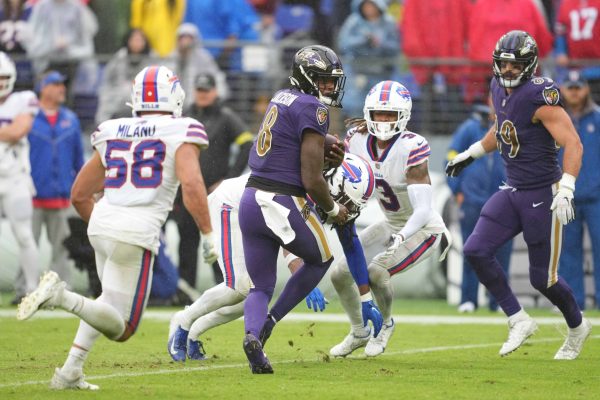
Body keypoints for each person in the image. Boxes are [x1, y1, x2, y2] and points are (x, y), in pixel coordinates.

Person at [16, 65, 218, 390]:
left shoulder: (113, 128)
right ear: (175, 95)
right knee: (122, 327)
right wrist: (207, 233)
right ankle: (63, 297)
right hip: (136, 231)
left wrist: (104, 224)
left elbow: (80, 194)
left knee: (105, 301)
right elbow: (192, 185)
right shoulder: (182, 129)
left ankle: (70, 371)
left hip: (102, 223)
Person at [446, 30, 592, 360]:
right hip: (512, 189)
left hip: (544, 192)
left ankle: (577, 326)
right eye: (503, 64)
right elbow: (502, 127)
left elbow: (574, 143)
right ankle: (518, 318)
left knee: (544, 279)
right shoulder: (498, 87)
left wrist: (567, 187)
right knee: (475, 249)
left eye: (515, 66)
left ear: (530, 65)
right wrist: (471, 154)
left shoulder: (540, 95)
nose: (507, 71)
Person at [238, 44, 349, 373]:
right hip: (282, 200)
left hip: (251, 196)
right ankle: (270, 322)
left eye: (332, 81)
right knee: (322, 259)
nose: (329, 87)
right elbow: (312, 180)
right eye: (324, 80)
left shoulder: (281, 96)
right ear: (307, 77)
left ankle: (252, 336)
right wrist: (332, 210)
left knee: (260, 285)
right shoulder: (313, 108)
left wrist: (324, 142)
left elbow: (289, 137)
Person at [329, 80, 450, 358]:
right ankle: (359, 330)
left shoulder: (413, 146)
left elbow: (422, 209)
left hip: (423, 229)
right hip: (390, 223)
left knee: (376, 272)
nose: (383, 120)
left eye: (389, 114)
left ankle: (385, 324)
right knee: (339, 273)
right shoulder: (356, 140)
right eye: (378, 114)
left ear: (403, 116)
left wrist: (402, 236)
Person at [167, 173, 331, 361]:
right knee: (237, 285)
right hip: (230, 204)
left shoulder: (310, 190)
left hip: (249, 210)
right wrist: (302, 276)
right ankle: (184, 319)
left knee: (251, 296)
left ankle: (193, 332)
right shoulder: (298, 187)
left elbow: (289, 237)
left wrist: (304, 276)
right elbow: (288, 240)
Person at [171, 72, 253, 292]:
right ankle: (184, 290)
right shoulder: (185, 115)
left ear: (215, 91)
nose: (203, 94)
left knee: (218, 243)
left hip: (214, 195)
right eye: (199, 90)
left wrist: (229, 180)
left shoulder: (225, 117)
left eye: (207, 90)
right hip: (187, 192)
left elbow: (248, 144)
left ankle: (225, 288)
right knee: (186, 243)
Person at [446, 103, 512, 313]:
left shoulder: (511, 127)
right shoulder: (469, 128)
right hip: (472, 199)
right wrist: (456, 189)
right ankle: (468, 299)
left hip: (503, 199)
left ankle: (499, 300)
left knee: (502, 251)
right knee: (472, 250)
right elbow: (451, 156)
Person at [25, 71, 84, 294]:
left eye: (63, 84)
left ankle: (61, 292)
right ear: (44, 88)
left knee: (62, 249)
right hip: (31, 195)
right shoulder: (28, 117)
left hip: (62, 195)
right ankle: (24, 289)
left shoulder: (71, 119)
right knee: (27, 244)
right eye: (57, 84)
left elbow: (79, 160)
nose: (62, 89)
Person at [558, 70, 600, 310]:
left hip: (596, 197)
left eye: (578, 87)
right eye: (570, 87)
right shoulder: (556, 118)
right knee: (568, 253)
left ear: (586, 89)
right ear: (563, 89)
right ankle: (574, 302)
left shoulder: (597, 118)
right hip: (566, 196)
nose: (574, 92)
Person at [0, 51, 40, 303]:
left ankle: (32, 290)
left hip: (14, 177)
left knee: (24, 234)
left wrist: (9, 130)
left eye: (3, 77)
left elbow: (18, 130)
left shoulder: (24, 99)